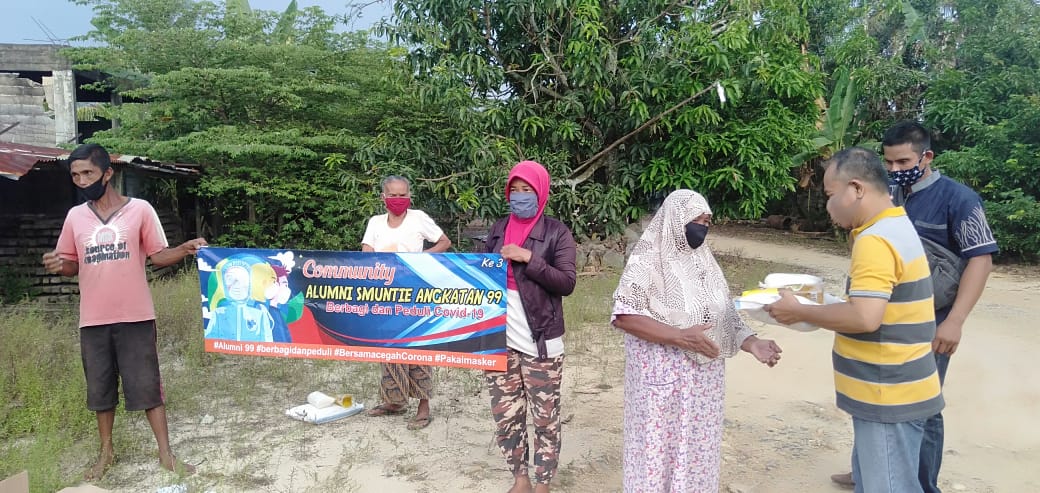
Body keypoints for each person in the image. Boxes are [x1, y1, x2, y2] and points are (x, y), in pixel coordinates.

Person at [829, 122, 997, 491]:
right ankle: (870, 470)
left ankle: (920, 483)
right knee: (876, 397)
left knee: (922, 405)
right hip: (886, 315)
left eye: (903, 162)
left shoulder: (959, 199)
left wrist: (955, 320)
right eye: (888, 162)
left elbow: (981, 260)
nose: (894, 169)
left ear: (927, 157)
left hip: (930, 319)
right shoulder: (886, 193)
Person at [765, 147, 945, 493]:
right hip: (898, 387)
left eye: (830, 195)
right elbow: (877, 305)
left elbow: (865, 317)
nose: (828, 206)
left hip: (887, 392)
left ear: (857, 189)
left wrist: (800, 311)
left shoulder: (875, 240)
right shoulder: (896, 223)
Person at [41, 143, 205, 480]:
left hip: (136, 316)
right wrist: (59, 265)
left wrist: (185, 249)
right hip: (93, 319)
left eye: (88, 173)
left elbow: (157, 256)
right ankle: (106, 453)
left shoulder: (140, 210)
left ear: (107, 173)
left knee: (148, 386)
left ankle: (166, 454)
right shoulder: (75, 217)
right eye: (75, 175)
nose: (81, 180)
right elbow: (72, 265)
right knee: (100, 390)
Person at [611, 189, 782, 492]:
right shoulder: (647, 259)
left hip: (703, 387)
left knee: (696, 456)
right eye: (696, 219)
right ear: (675, 219)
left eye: (707, 221)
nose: (702, 227)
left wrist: (752, 342)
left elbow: (724, 314)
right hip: (661, 385)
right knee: (656, 456)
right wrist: (679, 336)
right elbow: (625, 316)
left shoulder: (705, 263)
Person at [483, 160, 576, 493]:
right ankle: (520, 478)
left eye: (528, 190)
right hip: (498, 340)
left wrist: (529, 258)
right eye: (515, 190)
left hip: (541, 340)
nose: (520, 196)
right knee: (507, 415)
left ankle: (543, 483)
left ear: (541, 193)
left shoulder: (556, 232)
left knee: (545, 417)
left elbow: (566, 282)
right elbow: (481, 275)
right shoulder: (498, 228)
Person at [362, 175, 451, 430]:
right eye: (393, 195)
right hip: (384, 296)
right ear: (383, 197)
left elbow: (444, 242)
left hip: (415, 294)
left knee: (418, 347)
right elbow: (366, 251)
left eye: (403, 195)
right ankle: (394, 401)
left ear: (409, 196)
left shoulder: (418, 218)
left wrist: (420, 259)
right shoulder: (375, 222)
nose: (398, 199)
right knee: (389, 348)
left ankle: (423, 407)